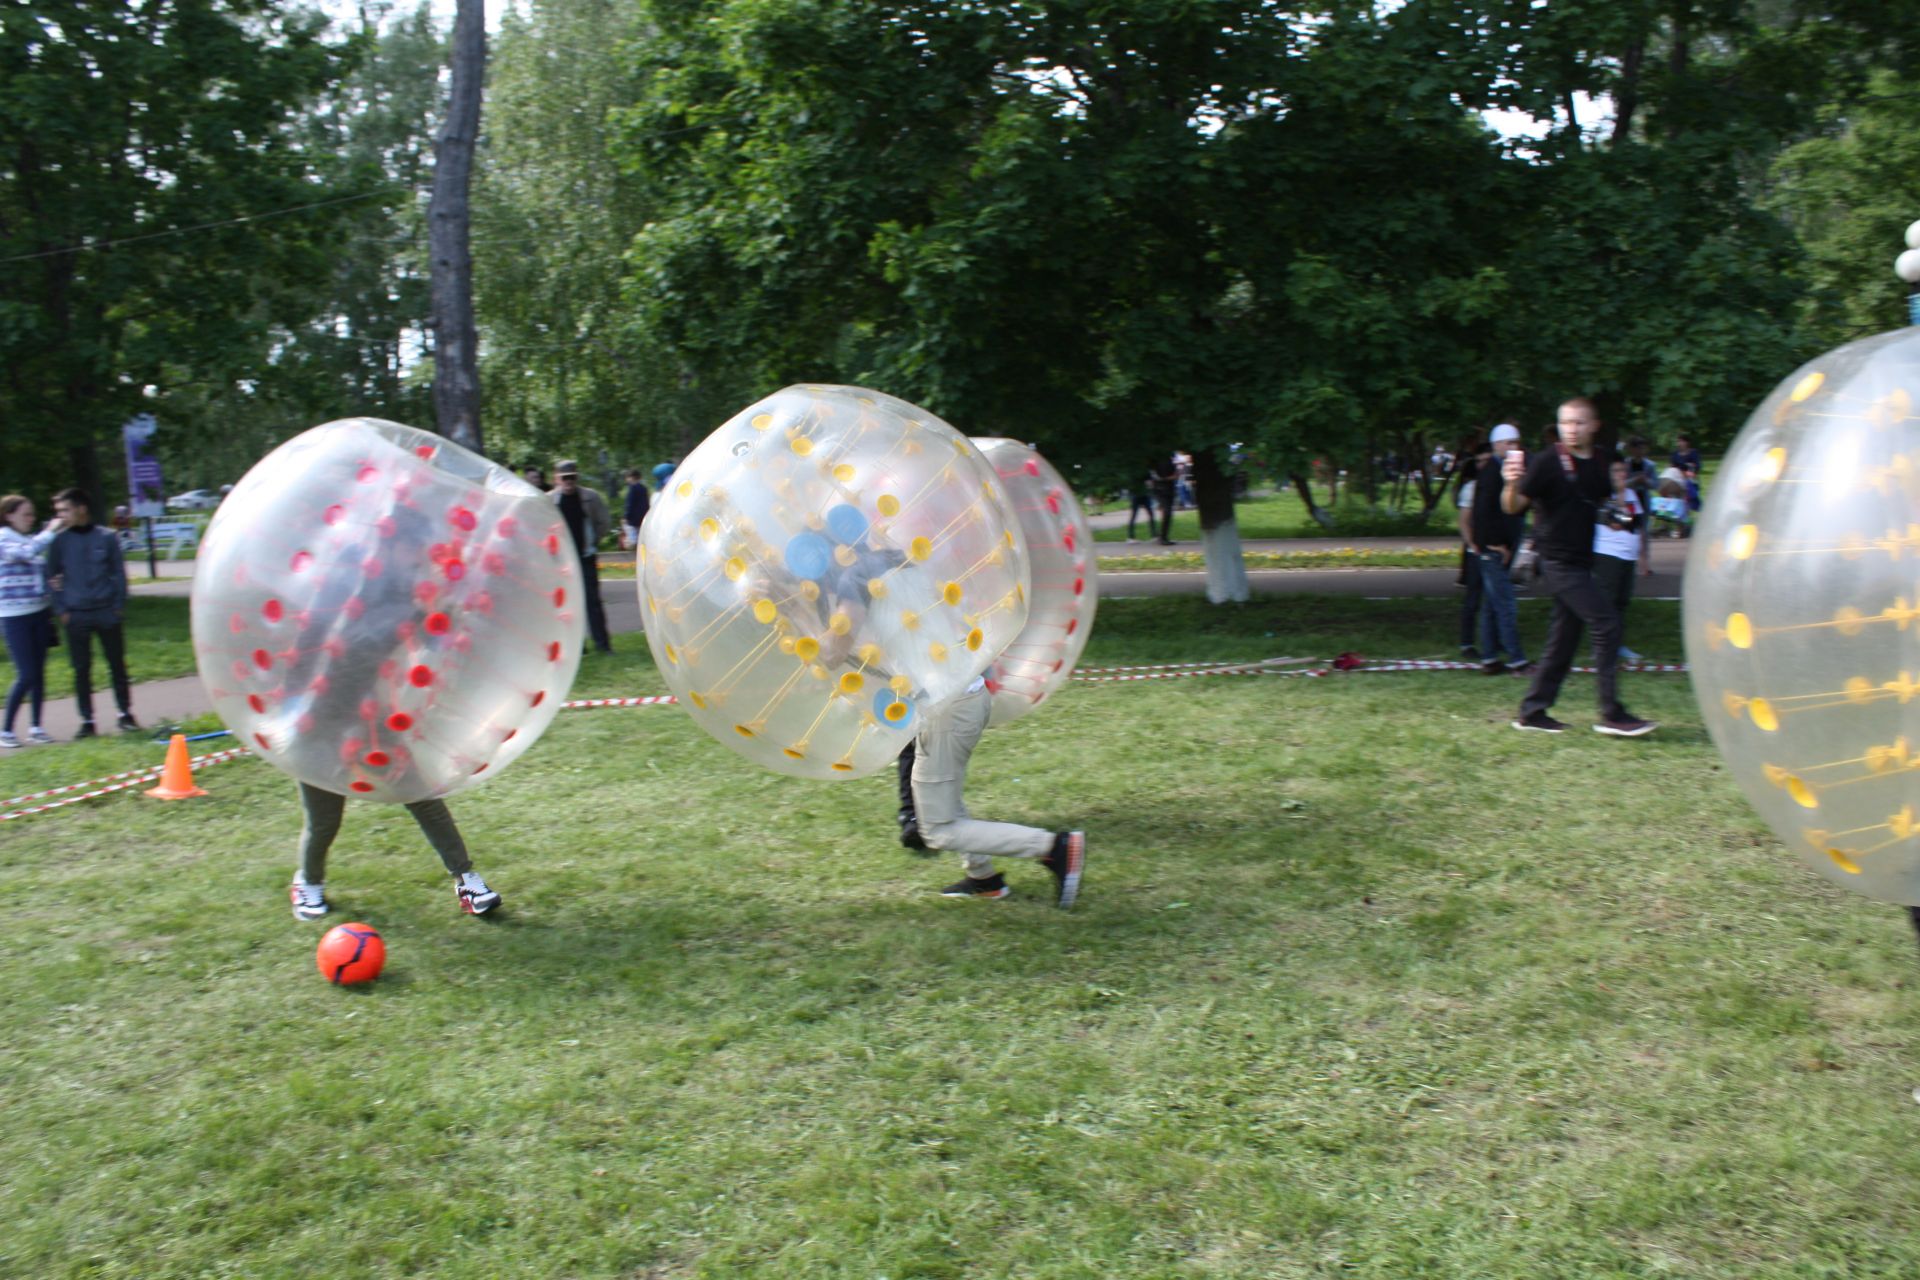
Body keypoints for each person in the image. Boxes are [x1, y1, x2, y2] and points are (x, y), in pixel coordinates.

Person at [1499, 398, 1656, 737]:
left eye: (1579, 423)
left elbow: (1601, 510)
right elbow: (1512, 507)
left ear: (1594, 425)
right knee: (1606, 623)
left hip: (1582, 561)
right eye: (1566, 423)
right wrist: (1511, 482)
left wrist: (1617, 509)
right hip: (1554, 560)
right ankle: (1611, 713)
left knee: (1563, 641)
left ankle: (1532, 712)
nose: (1571, 429)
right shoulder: (1546, 463)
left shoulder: (1600, 462)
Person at [289, 782, 500, 921]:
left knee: (424, 801)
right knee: (323, 822)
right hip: (319, 738)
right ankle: (308, 882)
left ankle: (466, 881)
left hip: (380, 731)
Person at [46, 488, 138, 737]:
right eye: (58, 512)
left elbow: (118, 573)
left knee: (117, 664)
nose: (61, 516)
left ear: (81, 508)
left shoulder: (107, 537)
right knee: (81, 668)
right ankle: (87, 721)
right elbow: (50, 575)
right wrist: (62, 609)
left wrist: (118, 605)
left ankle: (125, 714)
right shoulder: (59, 541)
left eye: (65, 510)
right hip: (76, 615)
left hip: (107, 611)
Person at [0, 495, 64, 747]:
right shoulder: (4, 537)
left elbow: (37, 569)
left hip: (39, 611)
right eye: (25, 514)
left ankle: (36, 727)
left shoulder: (29, 538)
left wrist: (51, 585)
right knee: (26, 673)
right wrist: (50, 531)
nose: (31, 519)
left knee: (38, 673)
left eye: (32, 514)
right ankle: (5, 731)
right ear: (9, 515)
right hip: (14, 616)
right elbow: (25, 555)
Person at [1469, 425, 1532, 675]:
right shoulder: (1492, 473)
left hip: (1500, 547)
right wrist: (1495, 544)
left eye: (1515, 442)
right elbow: (1481, 513)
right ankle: (1517, 660)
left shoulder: (1508, 473)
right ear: (1496, 445)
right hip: (1494, 549)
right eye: (1507, 443)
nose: (1512, 447)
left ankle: (1490, 659)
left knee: (1492, 605)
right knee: (1505, 604)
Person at [550, 460, 613, 654]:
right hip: (561, 562)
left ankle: (602, 645)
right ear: (557, 479)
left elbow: (604, 522)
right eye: (565, 478)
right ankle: (577, 648)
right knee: (566, 606)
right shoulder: (549, 501)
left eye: (573, 477)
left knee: (592, 602)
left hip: (585, 557)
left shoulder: (590, 497)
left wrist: (593, 540)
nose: (569, 481)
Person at [1592, 459, 1651, 664]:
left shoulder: (1633, 495)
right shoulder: (1603, 495)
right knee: (1607, 602)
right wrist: (1620, 492)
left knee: (1621, 603)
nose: (1621, 474)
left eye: (1623, 470)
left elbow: (1638, 526)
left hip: (1628, 556)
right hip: (1608, 555)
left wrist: (1643, 558)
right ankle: (1602, 647)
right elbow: (1617, 521)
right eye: (1616, 470)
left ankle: (1617, 646)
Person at [1454, 440, 1490, 660]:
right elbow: (1464, 521)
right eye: (1478, 461)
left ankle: (1493, 642)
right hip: (1477, 551)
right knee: (1473, 599)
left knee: (1496, 600)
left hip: (1497, 550)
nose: (1482, 465)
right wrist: (1472, 544)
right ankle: (1467, 643)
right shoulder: (1471, 488)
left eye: (1486, 460)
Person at [1126, 460, 1160, 543]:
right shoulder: (1143, 471)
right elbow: (1150, 482)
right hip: (1143, 495)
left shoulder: (1132, 471)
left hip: (1137, 495)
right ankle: (1153, 535)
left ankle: (1131, 537)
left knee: (1134, 515)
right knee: (1149, 514)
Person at [1149, 454, 1178, 545]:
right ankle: (1162, 537)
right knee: (1167, 512)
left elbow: (1175, 474)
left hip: (1168, 489)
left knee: (1168, 513)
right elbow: (1155, 476)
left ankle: (1163, 536)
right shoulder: (1155, 460)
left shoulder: (1170, 459)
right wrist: (1168, 478)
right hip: (1160, 489)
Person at [621, 468, 651, 550]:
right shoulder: (644, 488)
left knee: (632, 539)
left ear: (631, 477)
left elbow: (630, 504)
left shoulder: (632, 488)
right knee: (641, 537)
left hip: (633, 518)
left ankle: (631, 553)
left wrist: (626, 516)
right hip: (642, 516)